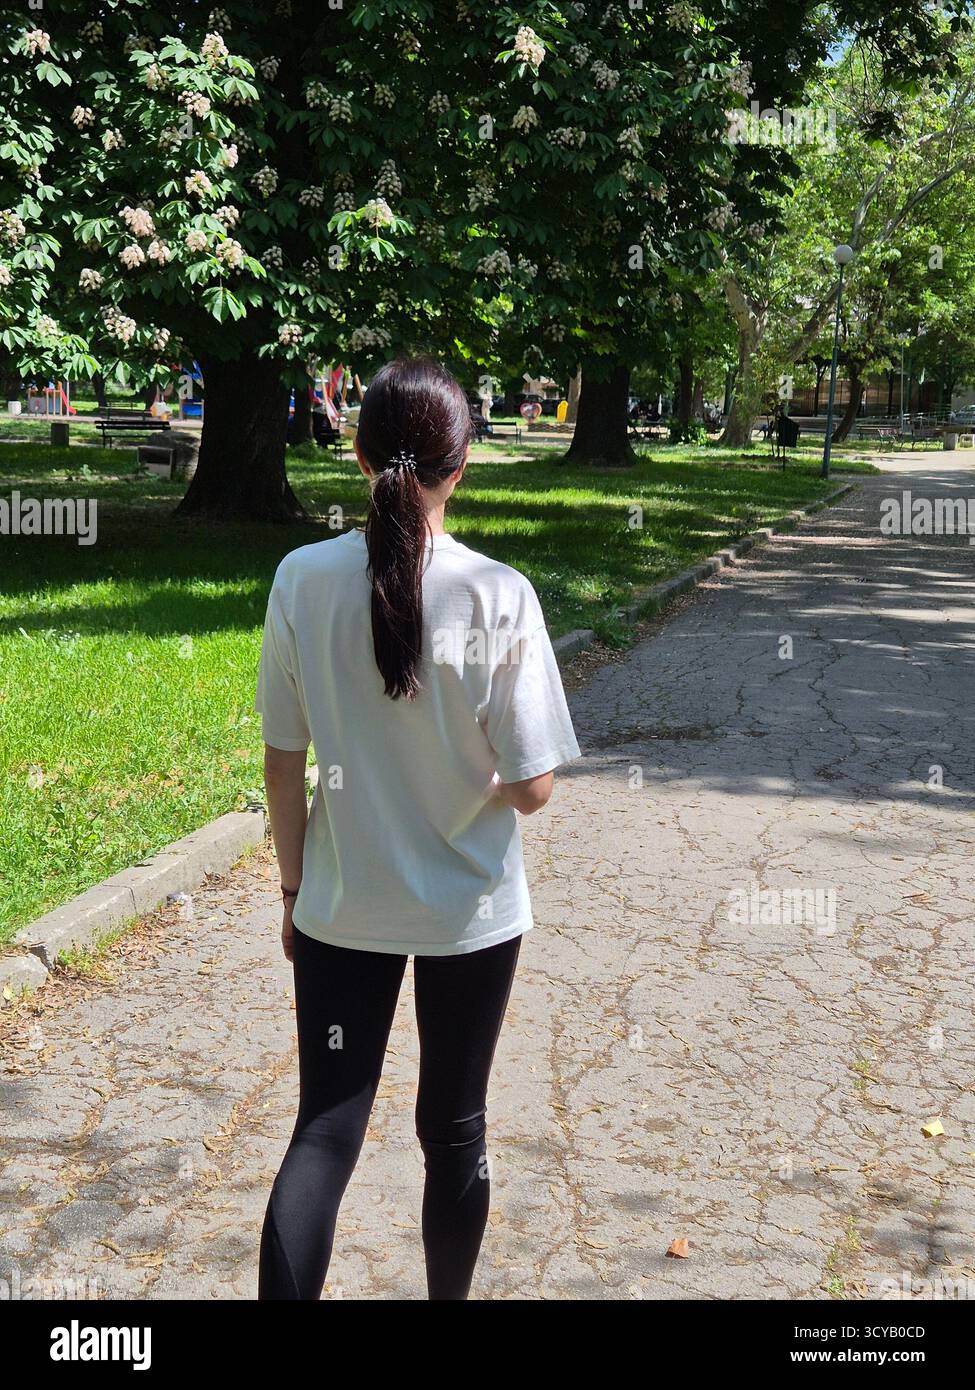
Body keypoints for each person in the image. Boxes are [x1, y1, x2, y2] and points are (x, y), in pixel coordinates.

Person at [255, 356, 580, 1300]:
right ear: (461, 466)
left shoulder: (300, 578)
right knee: (455, 1129)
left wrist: (291, 891)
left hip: (341, 906)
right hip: (468, 919)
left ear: (357, 457)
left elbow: (284, 759)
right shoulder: (498, 594)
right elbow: (531, 789)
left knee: (324, 1130)